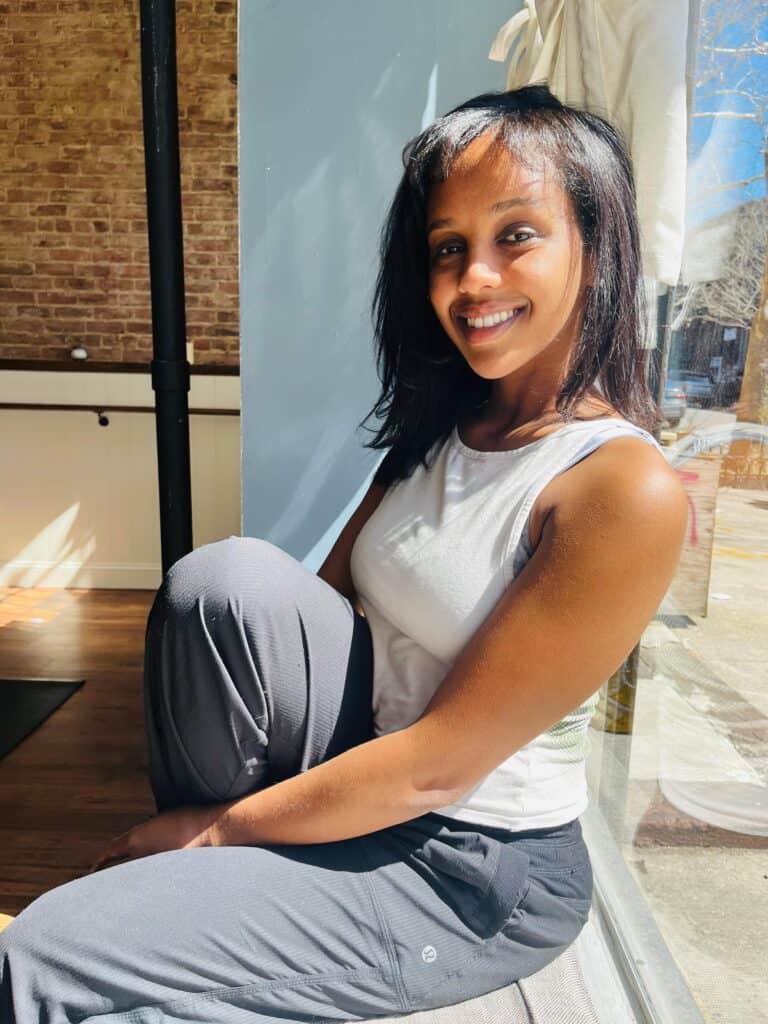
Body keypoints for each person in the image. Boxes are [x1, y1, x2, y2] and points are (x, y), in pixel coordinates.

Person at [0, 85, 687, 1023]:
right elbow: (313, 615)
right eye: (449, 248)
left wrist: (216, 834)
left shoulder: (621, 488)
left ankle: (185, 908)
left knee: (42, 954)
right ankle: (197, 914)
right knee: (225, 584)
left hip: (472, 867)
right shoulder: (448, 427)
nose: (474, 279)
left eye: (515, 235)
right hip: (371, 765)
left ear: (596, 249)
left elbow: (440, 769)